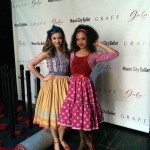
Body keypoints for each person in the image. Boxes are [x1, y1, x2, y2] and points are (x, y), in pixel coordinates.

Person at [58, 24, 119, 150]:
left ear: (88, 39)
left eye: (83, 39)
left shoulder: (93, 55)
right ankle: (85, 140)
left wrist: (98, 43)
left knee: (83, 114)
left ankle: (85, 141)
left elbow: (114, 54)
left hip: (85, 88)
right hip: (74, 88)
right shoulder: (73, 54)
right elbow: (70, 70)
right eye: (78, 39)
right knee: (76, 115)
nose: (80, 42)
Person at [27, 25, 70, 150]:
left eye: (60, 38)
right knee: (53, 114)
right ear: (50, 39)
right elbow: (30, 65)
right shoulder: (48, 52)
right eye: (54, 38)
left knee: (64, 114)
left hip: (65, 85)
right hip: (52, 85)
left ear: (63, 38)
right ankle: (56, 141)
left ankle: (62, 138)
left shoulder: (68, 52)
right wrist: (42, 77)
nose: (57, 41)